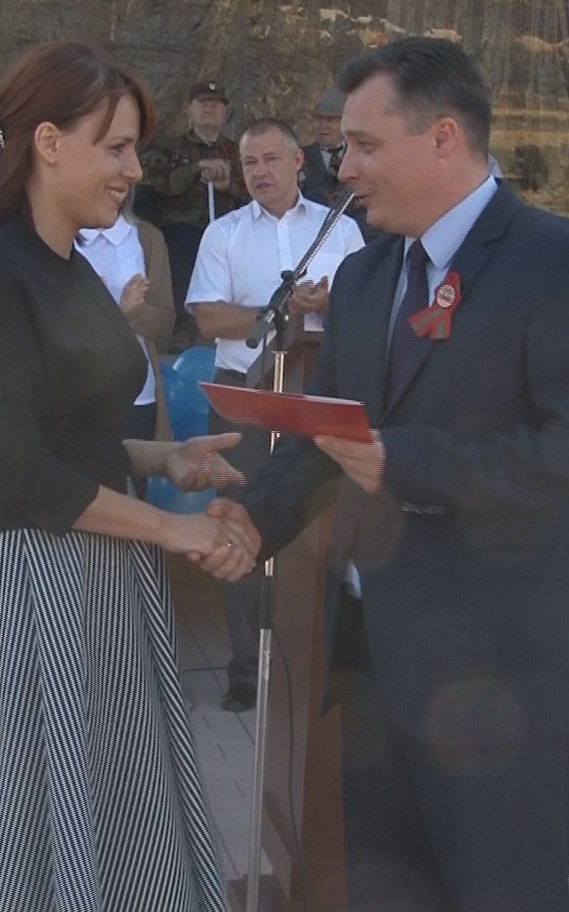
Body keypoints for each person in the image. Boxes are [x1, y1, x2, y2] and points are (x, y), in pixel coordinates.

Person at [211, 38, 569, 911]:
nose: (345, 169)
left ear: (444, 136)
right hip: (375, 670)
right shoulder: (365, 275)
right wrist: (254, 519)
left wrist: (406, 462)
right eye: (344, 147)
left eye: (365, 145)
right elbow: (326, 436)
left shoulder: (562, 262)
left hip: (507, 676)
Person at [0, 41, 256, 912]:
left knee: (107, 825)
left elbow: (71, 437)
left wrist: (165, 459)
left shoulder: (71, 267)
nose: (134, 170)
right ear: (47, 142)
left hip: (100, 577)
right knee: (32, 837)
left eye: (135, 150)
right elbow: (21, 471)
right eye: (117, 148)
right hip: (24, 590)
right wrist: (174, 529)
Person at [186, 117, 366, 711]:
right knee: (240, 519)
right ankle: (246, 667)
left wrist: (330, 304)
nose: (259, 172)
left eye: (270, 159)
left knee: (323, 525)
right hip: (247, 394)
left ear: (298, 162)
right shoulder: (224, 233)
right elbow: (208, 318)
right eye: (249, 163)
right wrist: (278, 313)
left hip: (319, 392)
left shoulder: (340, 228)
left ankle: (318, 657)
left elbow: (367, 305)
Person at [138, 80, 249, 344]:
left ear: (225, 112)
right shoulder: (168, 147)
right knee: (181, 264)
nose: (209, 109)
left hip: (228, 230)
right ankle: (181, 334)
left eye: (216, 104)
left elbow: (253, 193)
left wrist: (228, 186)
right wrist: (196, 169)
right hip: (181, 230)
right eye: (203, 103)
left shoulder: (238, 151)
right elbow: (156, 183)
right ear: (189, 109)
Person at [78, 191, 176, 442]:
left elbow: (165, 324)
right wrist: (104, 312)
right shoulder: (58, 236)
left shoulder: (147, 237)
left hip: (137, 396)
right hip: (75, 395)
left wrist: (136, 313)